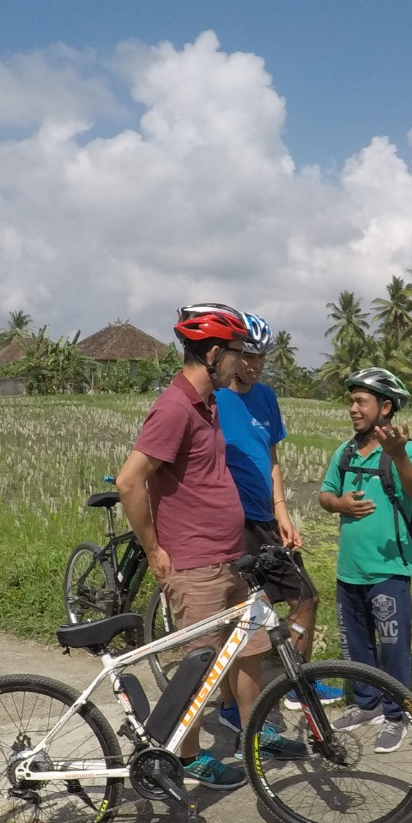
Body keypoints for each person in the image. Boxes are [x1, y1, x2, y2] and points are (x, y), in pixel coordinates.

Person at [115, 304, 304, 790]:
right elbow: (130, 482)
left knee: (249, 651)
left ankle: (255, 732)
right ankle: (191, 755)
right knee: (198, 666)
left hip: (231, 555)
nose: (242, 363)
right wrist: (154, 550)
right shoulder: (175, 406)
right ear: (215, 353)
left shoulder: (210, 402)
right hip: (195, 561)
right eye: (237, 353)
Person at [213, 311, 341, 736]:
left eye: (260, 358)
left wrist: (283, 513)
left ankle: (294, 682)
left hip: (267, 518)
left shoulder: (265, 397)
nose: (252, 366)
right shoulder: (213, 398)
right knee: (241, 619)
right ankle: (230, 706)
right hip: (234, 523)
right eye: (246, 356)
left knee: (305, 596)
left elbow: (270, 460)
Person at [318, 367, 412, 753]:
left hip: (389, 571)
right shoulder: (345, 451)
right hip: (349, 569)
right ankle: (366, 704)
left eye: (360, 401)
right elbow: (325, 494)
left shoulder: (407, 452)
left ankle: (396, 715)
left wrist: (398, 455)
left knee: (393, 646)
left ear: (385, 407)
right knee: (357, 645)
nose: (353, 408)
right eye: (351, 401)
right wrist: (339, 503)